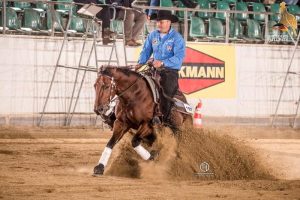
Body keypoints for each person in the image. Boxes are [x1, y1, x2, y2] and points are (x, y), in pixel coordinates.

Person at [135, 10, 185, 124]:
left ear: (169, 22)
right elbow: (146, 51)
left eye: (161, 22)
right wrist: (140, 63)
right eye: (157, 22)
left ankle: (164, 118)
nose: (158, 24)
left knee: (166, 93)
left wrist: (163, 63)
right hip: (153, 70)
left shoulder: (177, 38)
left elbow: (179, 58)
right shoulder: (152, 35)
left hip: (170, 72)